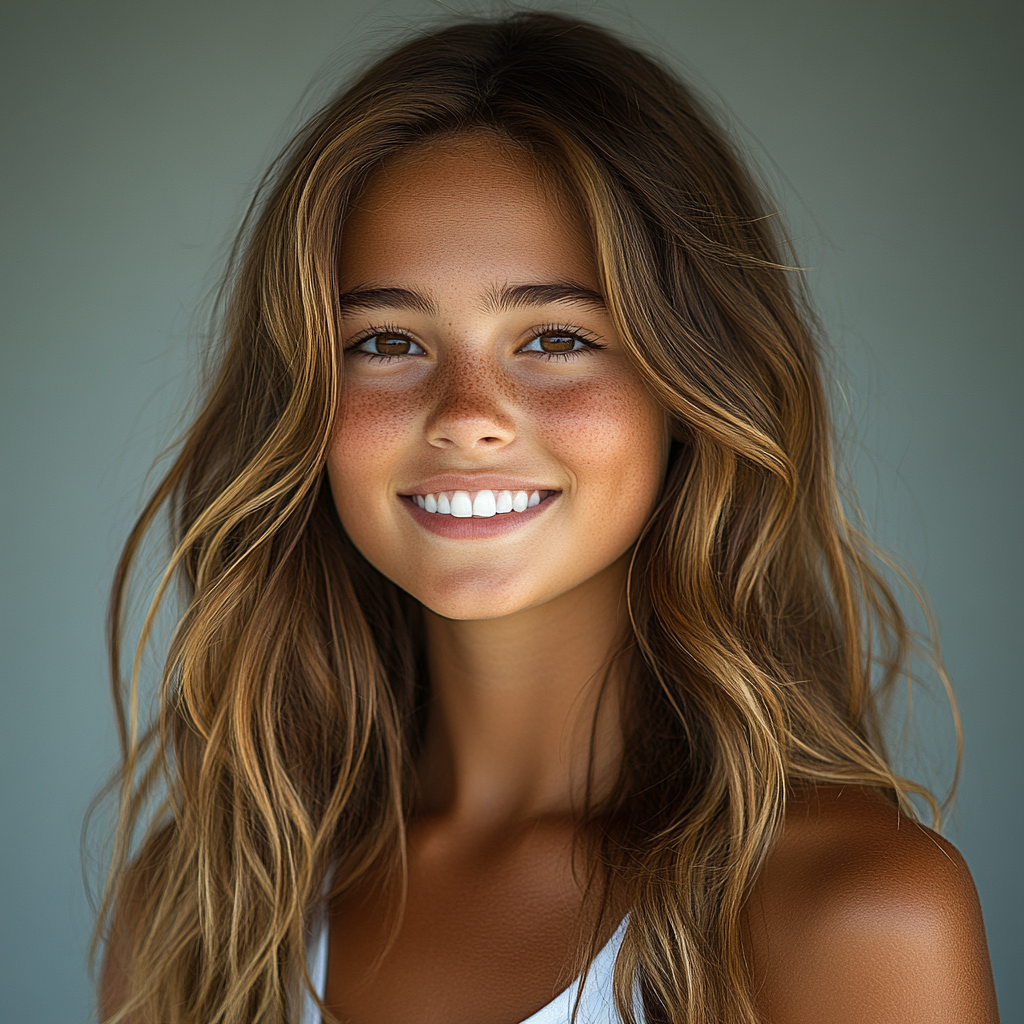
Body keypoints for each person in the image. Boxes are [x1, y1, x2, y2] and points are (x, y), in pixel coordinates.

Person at [94, 12, 999, 1024]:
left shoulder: (853, 912)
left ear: (691, 388)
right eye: (388, 341)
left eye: (556, 335)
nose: (468, 416)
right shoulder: (200, 898)